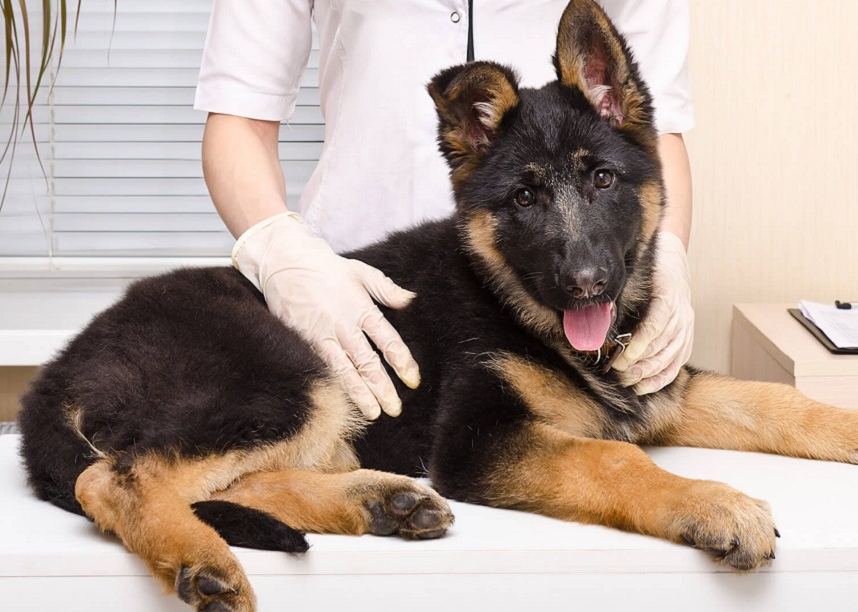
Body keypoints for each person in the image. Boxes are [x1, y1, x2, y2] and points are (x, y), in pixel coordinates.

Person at [195, 0, 695, 420]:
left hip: (552, 306)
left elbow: (653, 126)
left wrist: (668, 257)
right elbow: (241, 115)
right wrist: (282, 251)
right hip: (349, 286)